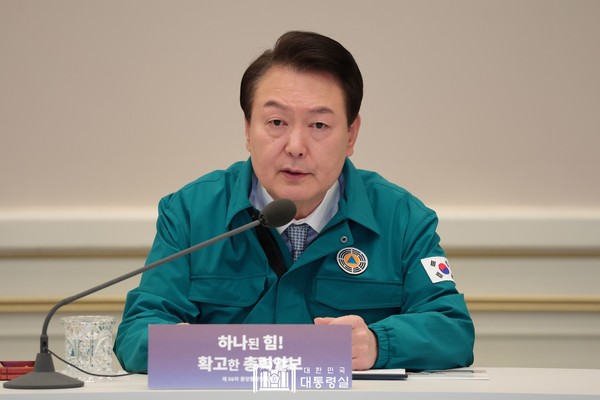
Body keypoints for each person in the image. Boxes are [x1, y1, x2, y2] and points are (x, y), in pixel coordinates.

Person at [114, 31, 475, 373]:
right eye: (276, 122)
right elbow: (137, 333)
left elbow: (452, 329)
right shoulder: (192, 212)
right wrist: (184, 346)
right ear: (247, 130)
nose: (296, 146)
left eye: (319, 125)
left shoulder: (401, 217)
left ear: (351, 135)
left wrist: (378, 344)